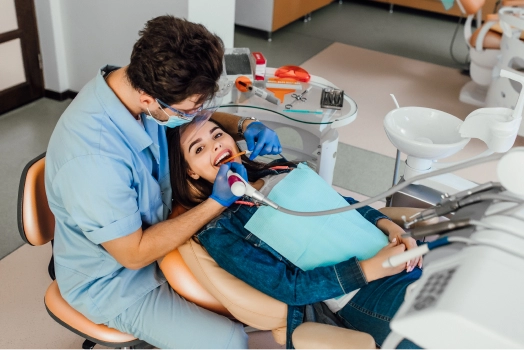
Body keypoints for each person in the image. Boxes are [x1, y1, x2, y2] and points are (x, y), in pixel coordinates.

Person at [45, 16, 282, 350]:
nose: (201, 116)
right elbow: (134, 254)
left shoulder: (138, 83)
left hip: (163, 235)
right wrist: (217, 202)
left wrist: (243, 125)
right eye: (190, 110)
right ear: (149, 100)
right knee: (228, 340)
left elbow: (198, 117)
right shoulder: (93, 160)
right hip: (116, 280)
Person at [167, 120, 425, 350]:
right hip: (362, 291)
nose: (214, 145)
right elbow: (289, 288)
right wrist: (370, 269)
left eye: (217, 135)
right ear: (191, 172)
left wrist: (392, 228)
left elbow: (344, 204)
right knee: (444, 326)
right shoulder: (221, 231)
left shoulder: (279, 169)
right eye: (198, 149)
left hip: (398, 253)